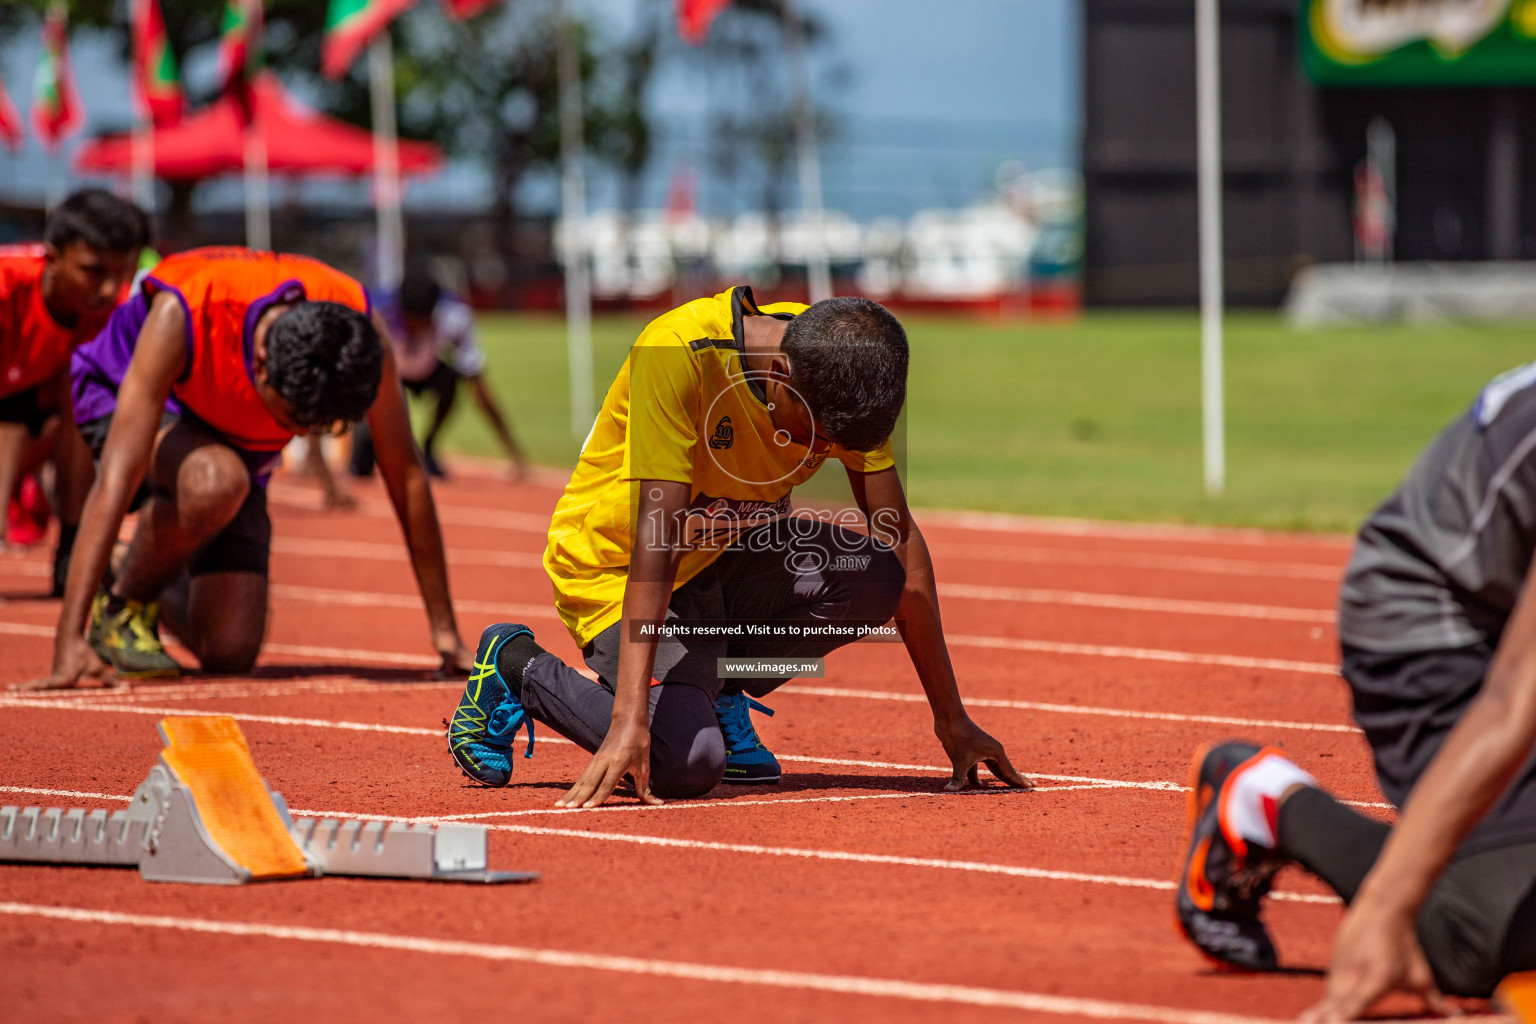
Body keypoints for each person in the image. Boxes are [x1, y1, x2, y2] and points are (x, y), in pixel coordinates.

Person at [444, 286, 1030, 806]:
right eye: (820, 439)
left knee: (875, 578)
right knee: (686, 763)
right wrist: (626, 722)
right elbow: (656, 541)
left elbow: (901, 545)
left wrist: (951, 718)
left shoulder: (844, 362)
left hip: (726, 558)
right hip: (619, 565)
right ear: (780, 374)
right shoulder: (679, 353)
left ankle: (721, 683)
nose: (822, 453)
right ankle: (518, 668)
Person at [1175, 360, 1536, 1017]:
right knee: (1468, 938)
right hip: (1429, 624)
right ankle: (1265, 801)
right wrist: (1385, 910)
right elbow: (1516, 695)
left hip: (1504, 609)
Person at [17, 246, 473, 688]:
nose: (297, 436)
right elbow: (118, 476)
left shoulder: (358, 333)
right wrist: (67, 640)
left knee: (229, 650)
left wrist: (446, 632)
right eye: (292, 422)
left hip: (231, 448)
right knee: (216, 482)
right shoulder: (188, 311)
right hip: (122, 399)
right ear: (258, 367)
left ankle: (123, 564)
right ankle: (121, 608)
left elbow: (406, 474)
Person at [0, 190, 147, 594]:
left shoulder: (110, 311)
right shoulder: (7, 287)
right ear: (52, 259)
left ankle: (73, 543)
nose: (108, 288)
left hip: (29, 412)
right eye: (94, 271)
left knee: (84, 399)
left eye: (122, 273)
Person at [349, 265, 527, 481]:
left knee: (451, 379)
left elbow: (478, 386)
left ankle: (429, 446)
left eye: (422, 321)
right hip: (386, 375)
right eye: (411, 321)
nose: (416, 328)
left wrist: (512, 450)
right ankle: (368, 446)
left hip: (429, 371)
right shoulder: (377, 310)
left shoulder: (456, 317)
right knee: (361, 467)